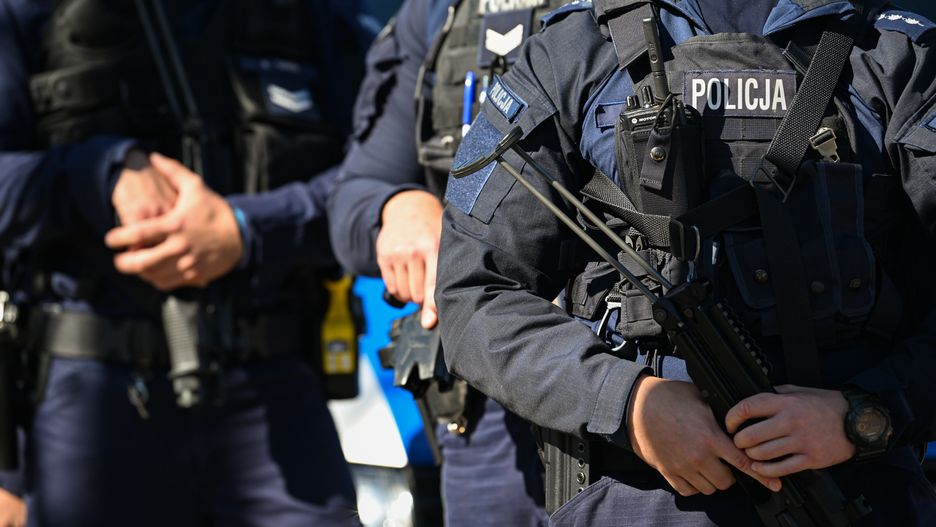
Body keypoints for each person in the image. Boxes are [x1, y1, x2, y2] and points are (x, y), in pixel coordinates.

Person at [436, 0, 936, 525]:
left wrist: (862, 414)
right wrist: (627, 403)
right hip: (638, 495)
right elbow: (474, 295)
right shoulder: (575, 49)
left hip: (851, 491)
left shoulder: (895, 51)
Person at [0, 0, 374, 525]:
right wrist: (98, 173)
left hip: (274, 392)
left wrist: (245, 231)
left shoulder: (314, 13)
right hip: (91, 397)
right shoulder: (25, 11)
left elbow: (376, 179)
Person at [328, 0, 571, 525]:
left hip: (658, 400)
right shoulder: (443, 13)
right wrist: (396, 206)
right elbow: (355, 194)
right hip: (489, 419)